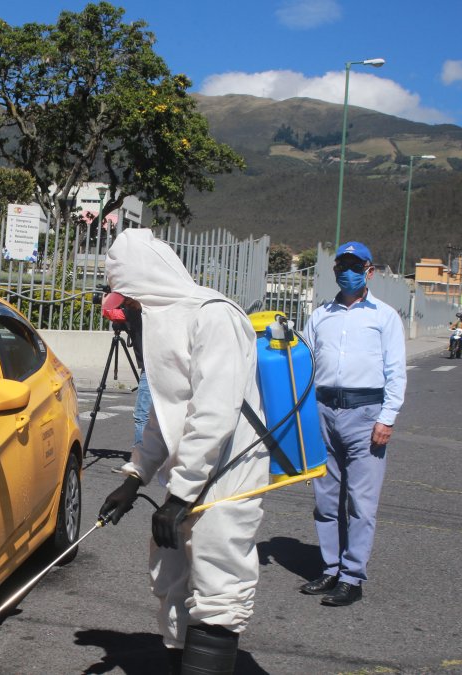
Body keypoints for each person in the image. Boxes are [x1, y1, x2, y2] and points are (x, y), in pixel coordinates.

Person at [96, 228, 270, 674]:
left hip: (228, 477)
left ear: (141, 284)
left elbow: (214, 416)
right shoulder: (162, 320)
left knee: (218, 587)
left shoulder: (213, 316)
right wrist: (135, 476)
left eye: (125, 301)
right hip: (188, 479)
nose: (124, 313)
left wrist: (179, 495)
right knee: (171, 577)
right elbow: (167, 410)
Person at [298, 242, 406, 607]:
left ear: (369, 271)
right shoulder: (320, 316)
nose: (348, 272)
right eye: (342, 266)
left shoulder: (385, 317)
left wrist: (387, 418)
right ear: (334, 271)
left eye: (355, 266)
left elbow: (396, 372)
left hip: (365, 414)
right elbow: (305, 364)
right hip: (323, 411)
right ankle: (331, 568)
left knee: (361, 502)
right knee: (326, 499)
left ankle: (352, 577)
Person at [121, 297, 151, 447]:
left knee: (142, 415)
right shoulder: (157, 309)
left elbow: (114, 317)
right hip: (158, 367)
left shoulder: (140, 313)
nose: (127, 304)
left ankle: (140, 456)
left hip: (152, 369)